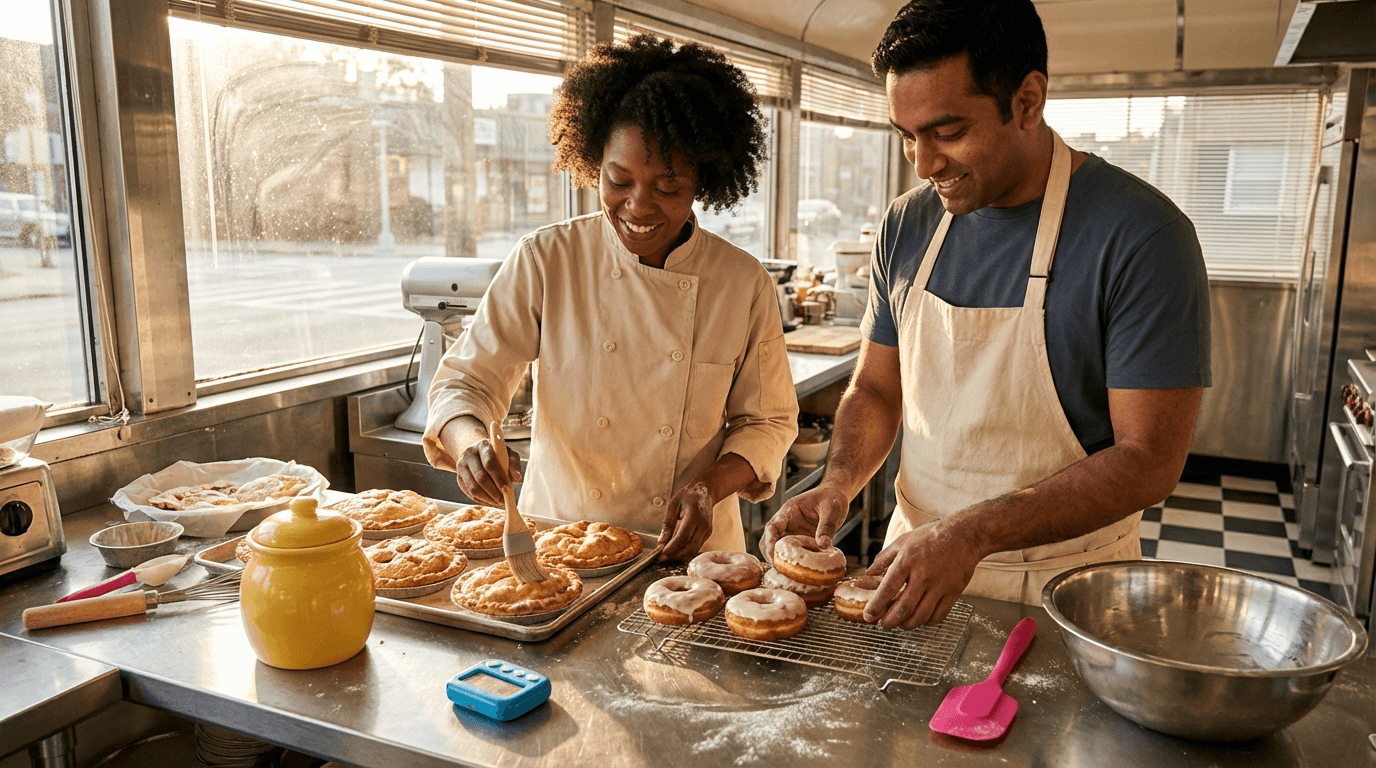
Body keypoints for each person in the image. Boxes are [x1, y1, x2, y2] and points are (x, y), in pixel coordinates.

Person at [761, 0, 1210, 625]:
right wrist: (838, 481)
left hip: (1063, 591)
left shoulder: (1140, 235)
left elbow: (1148, 461)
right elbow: (877, 388)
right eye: (907, 136)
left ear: (1028, 101)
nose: (923, 162)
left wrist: (970, 535)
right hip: (904, 575)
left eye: (947, 132)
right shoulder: (907, 224)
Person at [423, 34, 798, 561]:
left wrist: (709, 485)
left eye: (667, 188)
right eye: (617, 180)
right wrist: (470, 446)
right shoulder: (547, 259)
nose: (638, 207)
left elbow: (768, 422)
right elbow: (466, 382)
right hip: (561, 539)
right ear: (592, 162)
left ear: (703, 182)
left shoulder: (742, 282)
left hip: (690, 553)